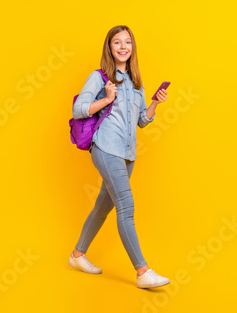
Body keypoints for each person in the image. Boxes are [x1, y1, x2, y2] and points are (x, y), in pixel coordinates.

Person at [69, 25, 170, 288]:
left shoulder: (137, 81)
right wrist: (106, 98)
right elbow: (78, 109)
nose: (123, 47)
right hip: (105, 148)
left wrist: (155, 103)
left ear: (132, 47)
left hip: (127, 153)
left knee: (103, 207)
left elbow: (141, 121)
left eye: (128, 42)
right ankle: (143, 272)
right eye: (117, 42)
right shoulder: (99, 77)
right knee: (126, 206)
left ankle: (77, 255)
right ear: (110, 48)